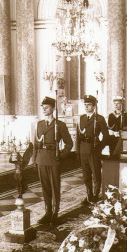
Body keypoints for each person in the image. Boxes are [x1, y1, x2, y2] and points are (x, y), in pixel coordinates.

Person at [31, 96, 73, 227]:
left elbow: (69, 143)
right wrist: (34, 160)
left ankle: (55, 212)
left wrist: (61, 155)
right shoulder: (39, 124)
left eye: (47, 107)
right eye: (42, 107)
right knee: (45, 187)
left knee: (55, 187)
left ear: (53, 109)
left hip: (53, 159)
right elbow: (35, 144)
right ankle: (48, 211)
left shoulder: (60, 125)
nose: (44, 109)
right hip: (41, 159)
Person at [76, 95, 109, 205]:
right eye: (85, 105)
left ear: (94, 106)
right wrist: (78, 150)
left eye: (89, 105)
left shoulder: (99, 119)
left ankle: (95, 195)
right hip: (83, 149)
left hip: (93, 149)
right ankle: (88, 195)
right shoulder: (81, 118)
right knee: (86, 175)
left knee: (96, 174)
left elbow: (106, 136)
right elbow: (78, 136)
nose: (86, 107)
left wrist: (99, 148)